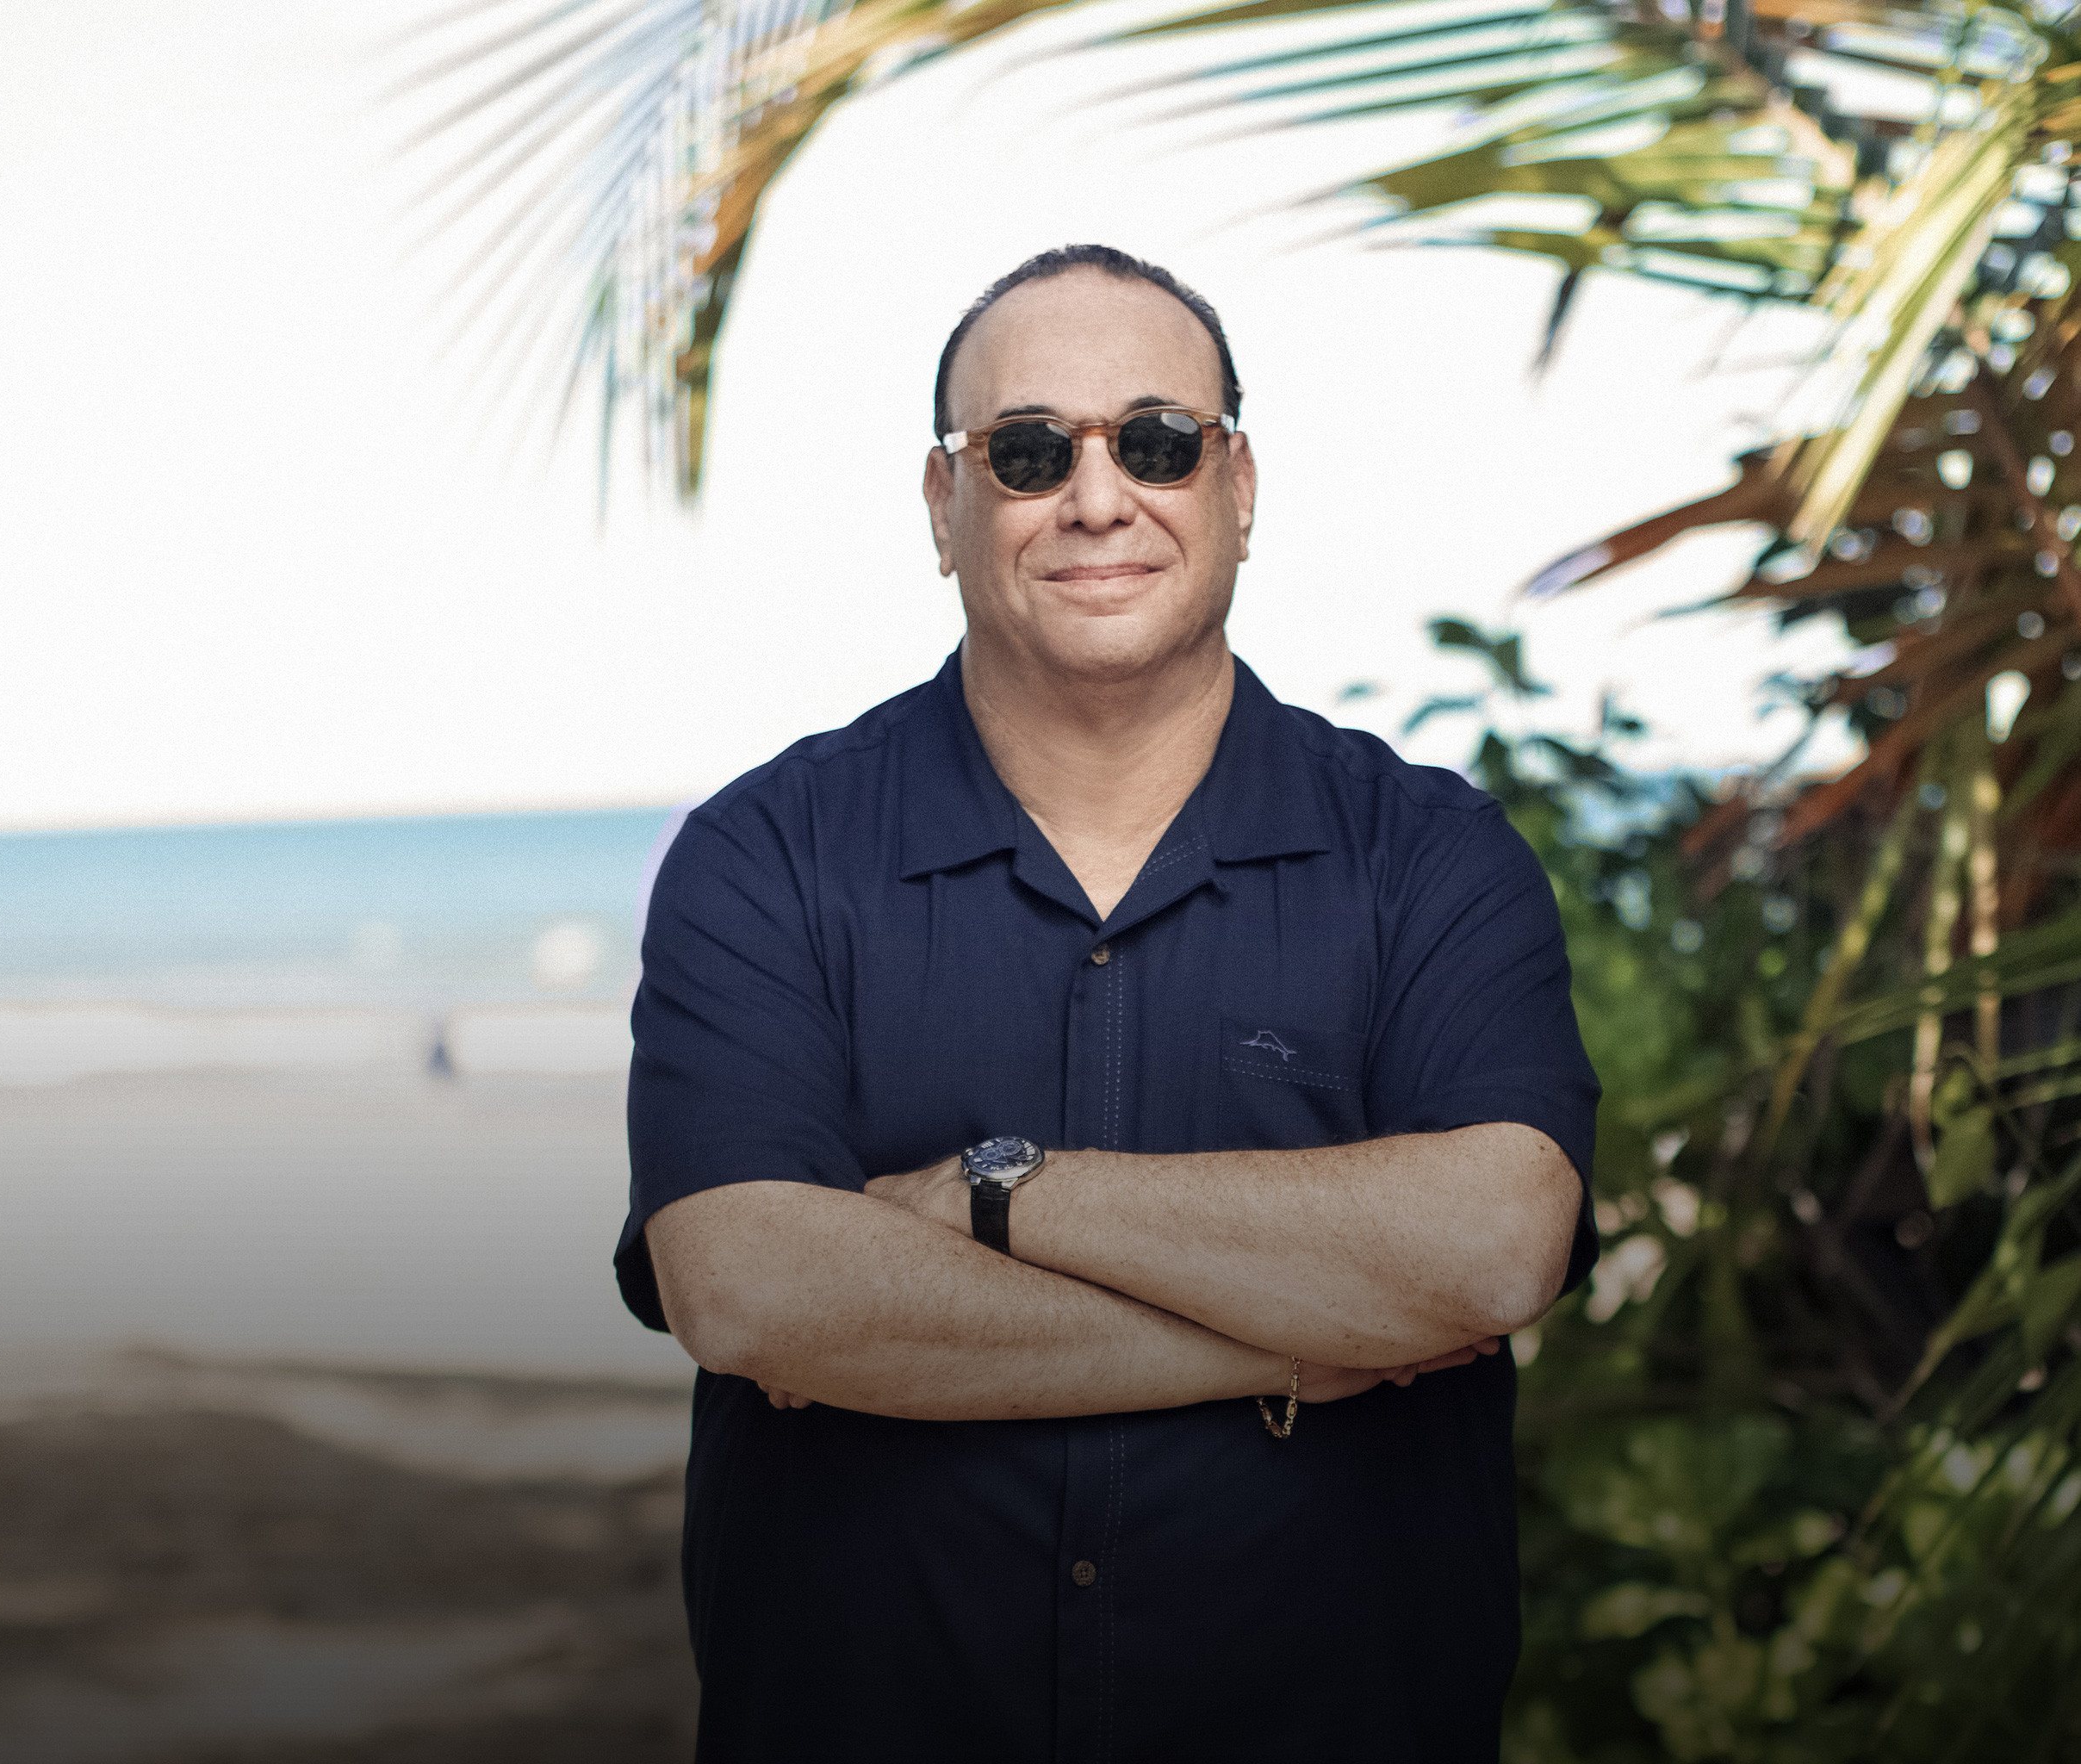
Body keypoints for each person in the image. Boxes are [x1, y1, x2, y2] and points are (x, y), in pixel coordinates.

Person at [615, 244, 1600, 1761]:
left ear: (1239, 488)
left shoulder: (1428, 858)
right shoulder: (767, 856)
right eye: (1026, 451)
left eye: (1157, 441)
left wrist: (993, 1196)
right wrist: (1290, 1350)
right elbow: (751, 1290)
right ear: (943, 506)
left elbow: (1492, 1246)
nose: (1096, 497)